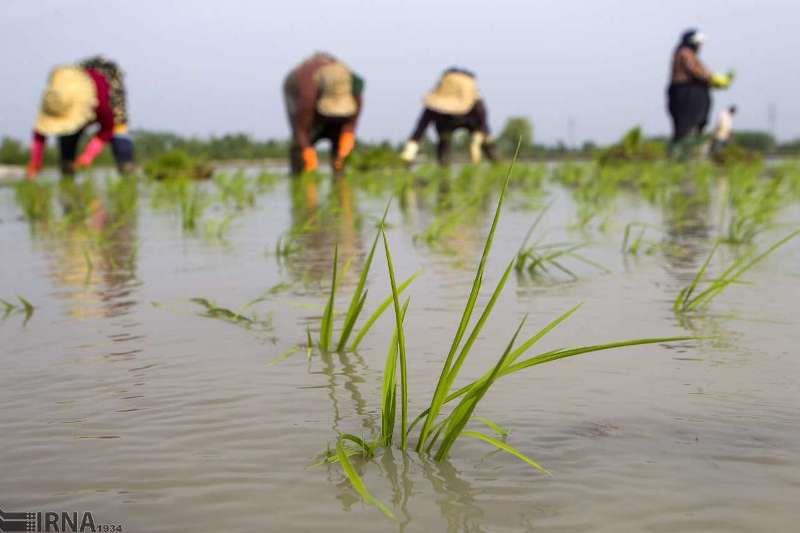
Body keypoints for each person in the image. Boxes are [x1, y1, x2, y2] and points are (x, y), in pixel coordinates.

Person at [26, 56, 134, 179]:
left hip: (106, 92)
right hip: (80, 85)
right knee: (67, 136)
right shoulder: (53, 100)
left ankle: (127, 173)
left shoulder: (103, 104)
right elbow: (40, 133)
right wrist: (35, 163)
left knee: (119, 131)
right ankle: (67, 175)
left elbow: (107, 129)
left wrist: (87, 156)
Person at [283, 52, 364, 176]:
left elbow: (353, 118)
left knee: (341, 155)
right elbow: (300, 130)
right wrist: (307, 152)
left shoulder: (354, 85)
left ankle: (339, 178)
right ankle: (301, 176)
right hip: (307, 118)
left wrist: (349, 134)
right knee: (300, 154)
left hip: (338, 122)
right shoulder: (306, 93)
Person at [401, 67, 496, 166]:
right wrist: (409, 153)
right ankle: (444, 172)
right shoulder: (435, 106)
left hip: (474, 126)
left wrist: (476, 143)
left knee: (487, 144)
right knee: (444, 145)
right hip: (444, 125)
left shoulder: (476, 105)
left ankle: (497, 166)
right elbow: (420, 130)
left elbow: (483, 126)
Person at [666, 30, 733, 160]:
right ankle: (680, 155)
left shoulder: (690, 55)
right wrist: (713, 78)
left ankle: (689, 154)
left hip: (693, 93)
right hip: (685, 94)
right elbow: (695, 71)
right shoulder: (684, 53)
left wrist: (716, 81)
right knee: (685, 126)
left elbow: (702, 74)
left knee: (697, 124)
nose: (700, 47)